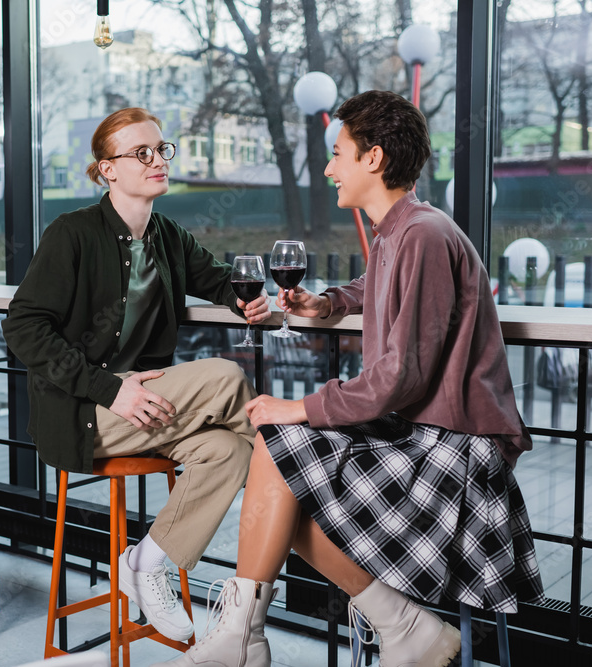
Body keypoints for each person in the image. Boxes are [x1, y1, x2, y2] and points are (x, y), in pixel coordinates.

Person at [156, 90, 544, 667]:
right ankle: (365, 628)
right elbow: (378, 288)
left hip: (455, 447)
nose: (328, 168)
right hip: (421, 432)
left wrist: (300, 407)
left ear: (374, 158)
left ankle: (256, 637)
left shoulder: (423, 234)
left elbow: (401, 375)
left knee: (279, 451)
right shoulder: (401, 231)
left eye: (338, 153)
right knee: (280, 466)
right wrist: (329, 302)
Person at [2, 107, 271, 643]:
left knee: (229, 451)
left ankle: (145, 563)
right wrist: (109, 390)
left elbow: (218, 279)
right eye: (140, 153)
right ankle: (297, 502)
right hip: (85, 412)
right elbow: (24, 328)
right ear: (108, 169)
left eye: (161, 149)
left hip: (146, 406)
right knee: (225, 379)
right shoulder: (72, 233)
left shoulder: (167, 236)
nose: (157, 160)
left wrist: (248, 299)